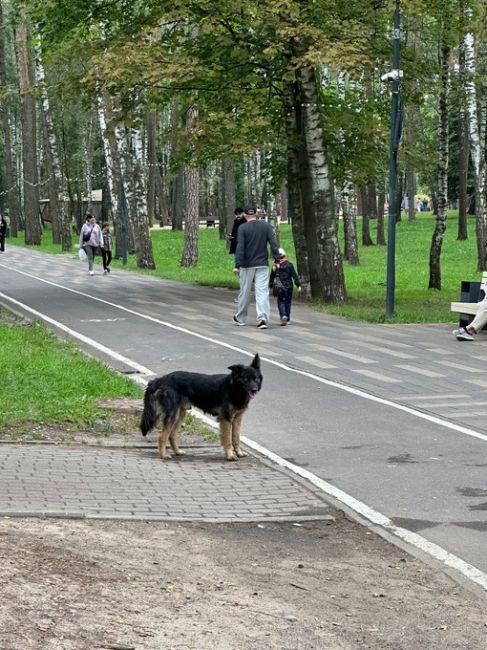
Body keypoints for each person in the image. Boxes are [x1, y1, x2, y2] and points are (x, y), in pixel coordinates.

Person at [233, 205, 279, 329]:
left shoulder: (243, 228)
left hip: (247, 265)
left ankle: (241, 318)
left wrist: (237, 265)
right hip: (262, 264)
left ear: (244, 215)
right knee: (262, 292)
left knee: (245, 292)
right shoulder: (266, 226)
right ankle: (262, 318)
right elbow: (273, 244)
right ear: (255, 214)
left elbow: (240, 247)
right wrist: (277, 259)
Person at [269, 247, 302, 326]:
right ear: (284, 255)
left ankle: (283, 315)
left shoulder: (275, 267)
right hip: (289, 286)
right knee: (288, 302)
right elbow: (294, 275)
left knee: (281, 302)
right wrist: (298, 285)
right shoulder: (289, 265)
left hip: (279, 287)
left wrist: (270, 285)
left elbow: (272, 277)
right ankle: (288, 319)